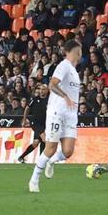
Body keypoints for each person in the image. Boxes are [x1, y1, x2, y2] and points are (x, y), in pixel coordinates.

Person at [28, 39, 82, 194]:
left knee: (68, 151)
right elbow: (52, 85)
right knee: (51, 147)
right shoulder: (63, 66)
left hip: (71, 115)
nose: (81, 52)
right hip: (57, 112)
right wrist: (65, 96)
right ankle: (34, 179)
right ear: (73, 51)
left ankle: (51, 161)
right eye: (80, 49)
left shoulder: (74, 71)